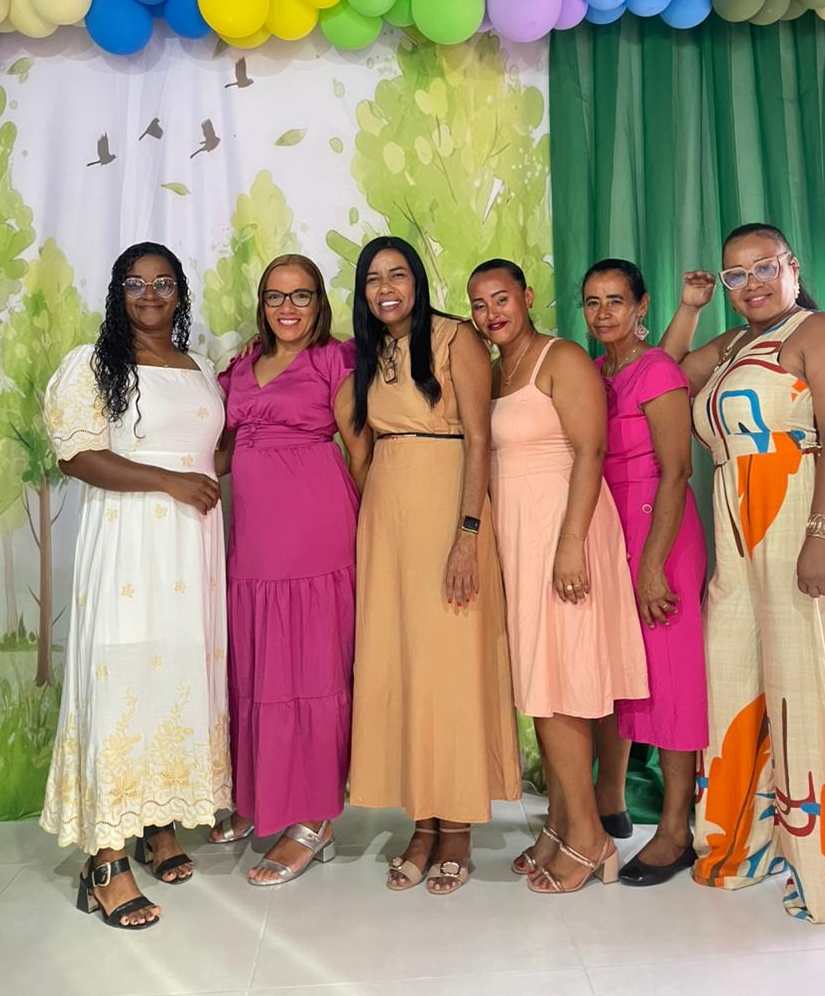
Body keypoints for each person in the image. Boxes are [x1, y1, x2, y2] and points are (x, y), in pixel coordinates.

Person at [662, 222, 825, 923]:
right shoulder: (731, 345)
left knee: (806, 680)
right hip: (738, 522)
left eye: (763, 267)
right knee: (732, 680)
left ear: (792, 266)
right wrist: (691, 308)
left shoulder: (821, 331)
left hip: (807, 509)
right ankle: (745, 845)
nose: (751, 283)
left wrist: (821, 537)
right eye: (736, 275)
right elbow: (661, 378)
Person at [42, 242, 230, 930]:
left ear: (180, 293)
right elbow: (77, 456)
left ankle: (159, 823)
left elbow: (210, 451)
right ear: (118, 294)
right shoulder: (93, 365)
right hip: (128, 545)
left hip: (191, 551)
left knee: (174, 674)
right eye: (135, 282)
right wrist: (168, 481)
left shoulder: (200, 369)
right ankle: (105, 858)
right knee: (122, 680)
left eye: (163, 282)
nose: (150, 293)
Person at [468, 259, 648, 894]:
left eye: (501, 298)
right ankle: (562, 823)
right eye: (479, 304)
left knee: (563, 684)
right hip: (522, 537)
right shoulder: (495, 370)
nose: (492, 313)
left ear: (527, 296)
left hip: (566, 531)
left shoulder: (561, 357)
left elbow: (591, 450)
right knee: (542, 684)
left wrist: (571, 542)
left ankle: (592, 840)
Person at [348, 237, 520, 894]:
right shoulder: (369, 352)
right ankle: (421, 822)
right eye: (373, 279)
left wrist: (468, 535)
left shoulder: (456, 339)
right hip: (388, 523)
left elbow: (480, 439)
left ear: (417, 282)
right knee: (402, 667)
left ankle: (457, 828)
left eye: (398, 275)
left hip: (449, 513)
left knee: (451, 670)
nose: (386, 288)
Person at [208, 255, 367, 885]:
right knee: (258, 664)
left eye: (301, 295)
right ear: (262, 304)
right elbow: (221, 450)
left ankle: (314, 818)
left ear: (319, 302)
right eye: (276, 296)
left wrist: (380, 533)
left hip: (315, 532)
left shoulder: (334, 360)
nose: (288, 308)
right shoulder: (242, 365)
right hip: (254, 539)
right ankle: (260, 795)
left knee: (311, 668)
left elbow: (360, 449)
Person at [582, 258, 708, 886]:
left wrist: (654, 564)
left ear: (640, 307)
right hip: (615, 537)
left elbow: (677, 470)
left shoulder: (657, 370)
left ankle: (677, 831)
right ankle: (610, 799)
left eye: (615, 301)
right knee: (624, 675)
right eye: (592, 302)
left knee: (672, 681)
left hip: (662, 537)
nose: (603, 313)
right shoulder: (598, 372)